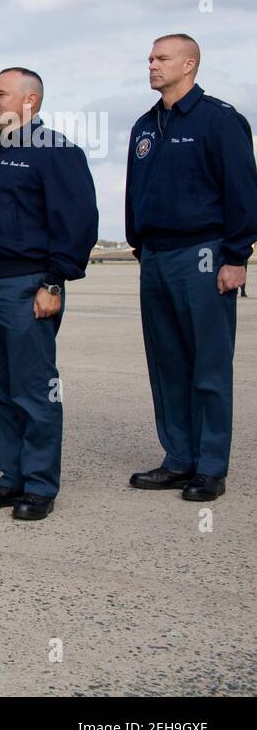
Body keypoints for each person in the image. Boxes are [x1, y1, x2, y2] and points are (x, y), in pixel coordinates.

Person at [0, 68, 98, 520]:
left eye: (1, 93)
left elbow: (76, 220)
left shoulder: (55, 151)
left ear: (30, 101)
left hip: (26, 284)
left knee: (34, 389)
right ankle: (11, 476)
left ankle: (39, 484)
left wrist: (54, 280)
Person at [127, 34, 257, 502]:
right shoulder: (145, 125)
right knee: (167, 365)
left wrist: (236, 257)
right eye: (150, 58)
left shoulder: (219, 121)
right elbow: (134, 193)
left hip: (203, 256)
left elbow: (243, 191)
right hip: (156, 258)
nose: (152, 64)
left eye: (162, 58)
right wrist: (140, 244)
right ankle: (178, 458)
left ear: (190, 64)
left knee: (208, 365)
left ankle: (210, 466)